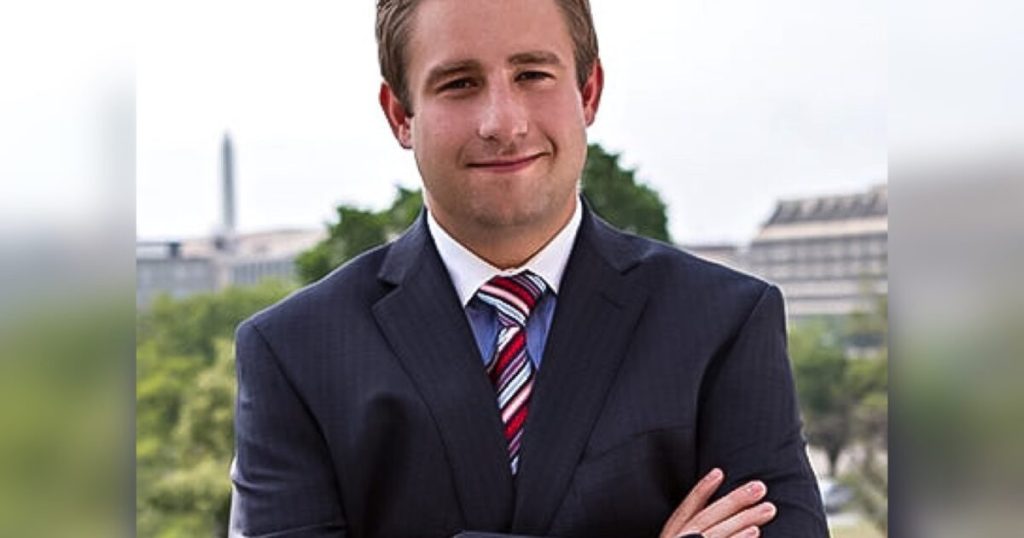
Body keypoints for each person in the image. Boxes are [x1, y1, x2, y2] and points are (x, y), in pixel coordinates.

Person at [229, 0, 828, 536]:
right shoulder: (295, 353)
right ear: (400, 115)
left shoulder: (722, 323)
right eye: (460, 83)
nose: (504, 122)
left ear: (588, 92)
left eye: (532, 75)